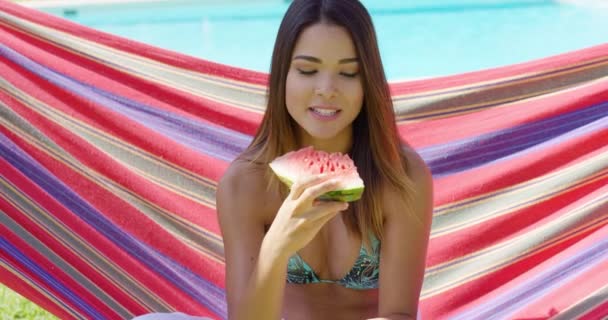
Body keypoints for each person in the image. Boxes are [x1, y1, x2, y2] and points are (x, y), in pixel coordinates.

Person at [217, 1, 433, 320]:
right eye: (307, 70)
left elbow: (400, 314)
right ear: (283, 75)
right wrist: (276, 248)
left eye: (348, 73)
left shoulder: (402, 176)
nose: (327, 90)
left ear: (367, 82)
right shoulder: (244, 185)